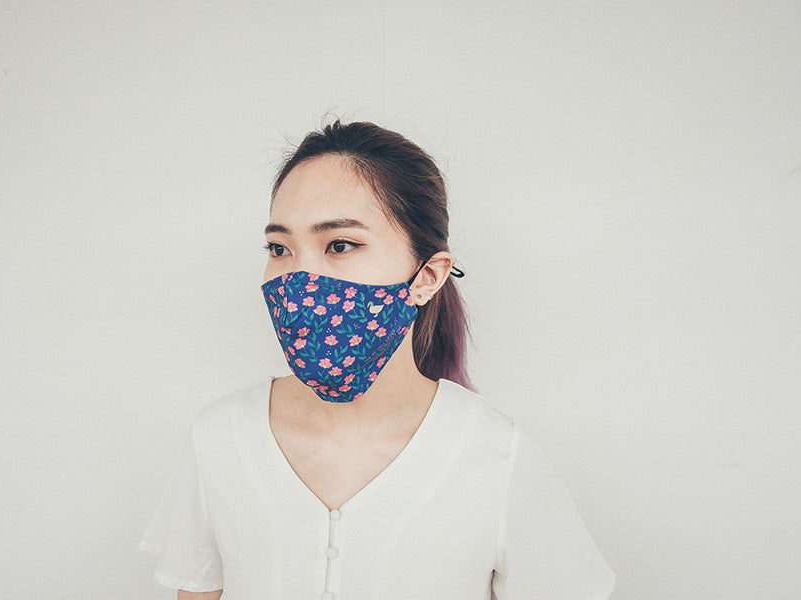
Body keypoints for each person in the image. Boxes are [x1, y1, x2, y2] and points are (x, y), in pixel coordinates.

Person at [139, 120, 616, 600]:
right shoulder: (219, 437)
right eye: (279, 248)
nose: (299, 279)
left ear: (427, 277)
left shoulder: (500, 457)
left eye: (340, 244)